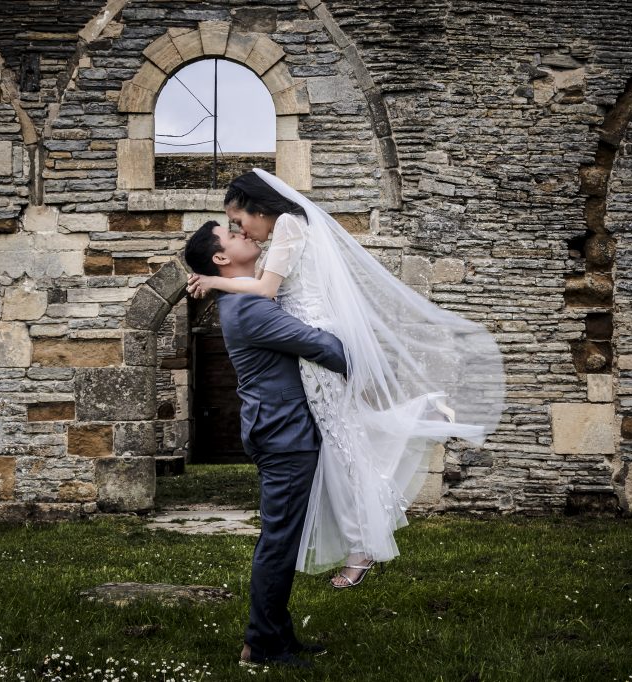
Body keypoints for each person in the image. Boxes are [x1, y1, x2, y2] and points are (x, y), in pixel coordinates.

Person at [187, 169, 505, 589]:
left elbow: (266, 290)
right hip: (313, 341)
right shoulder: (288, 228)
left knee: (342, 445)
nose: (241, 230)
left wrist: (214, 281)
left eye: (238, 220)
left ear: (257, 208)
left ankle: (364, 544)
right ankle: (420, 418)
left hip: (316, 342)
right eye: (232, 229)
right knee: (347, 435)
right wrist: (220, 282)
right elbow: (262, 284)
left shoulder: (287, 225)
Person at [184, 220, 347, 668]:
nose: (243, 232)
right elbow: (326, 349)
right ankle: (262, 646)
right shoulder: (248, 308)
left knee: (282, 537)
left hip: (280, 429)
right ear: (220, 257)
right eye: (231, 234)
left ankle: (276, 634)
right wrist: (365, 349)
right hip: (283, 434)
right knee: (279, 540)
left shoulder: (247, 296)